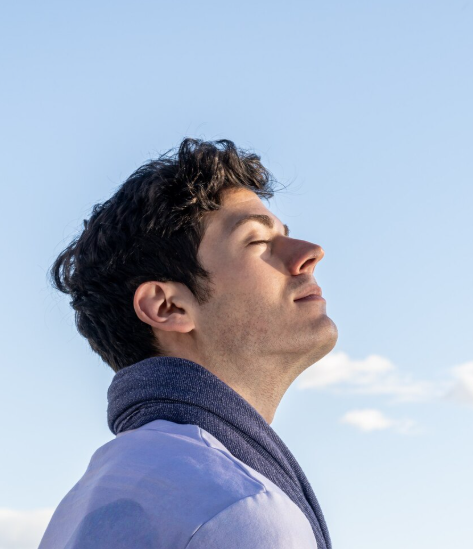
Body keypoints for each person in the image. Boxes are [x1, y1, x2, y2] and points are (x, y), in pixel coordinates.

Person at [38, 138, 337, 549]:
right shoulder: (237, 509)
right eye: (256, 241)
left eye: (284, 235)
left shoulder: (88, 503)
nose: (312, 252)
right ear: (168, 307)